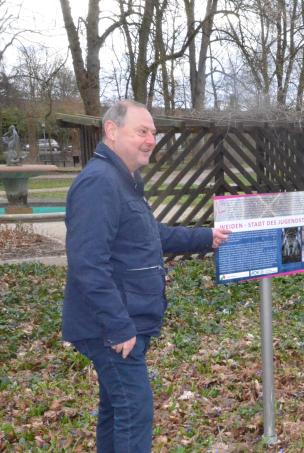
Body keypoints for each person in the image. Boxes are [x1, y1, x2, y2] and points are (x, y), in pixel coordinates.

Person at [62, 100, 230, 452]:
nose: (151, 140)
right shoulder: (99, 183)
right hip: (110, 328)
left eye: (153, 132)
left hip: (125, 321)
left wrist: (207, 237)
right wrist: (118, 325)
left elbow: (150, 236)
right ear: (112, 131)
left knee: (116, 409)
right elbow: (88, 263)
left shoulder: (124, 181)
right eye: (142, 131)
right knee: (134, 411)